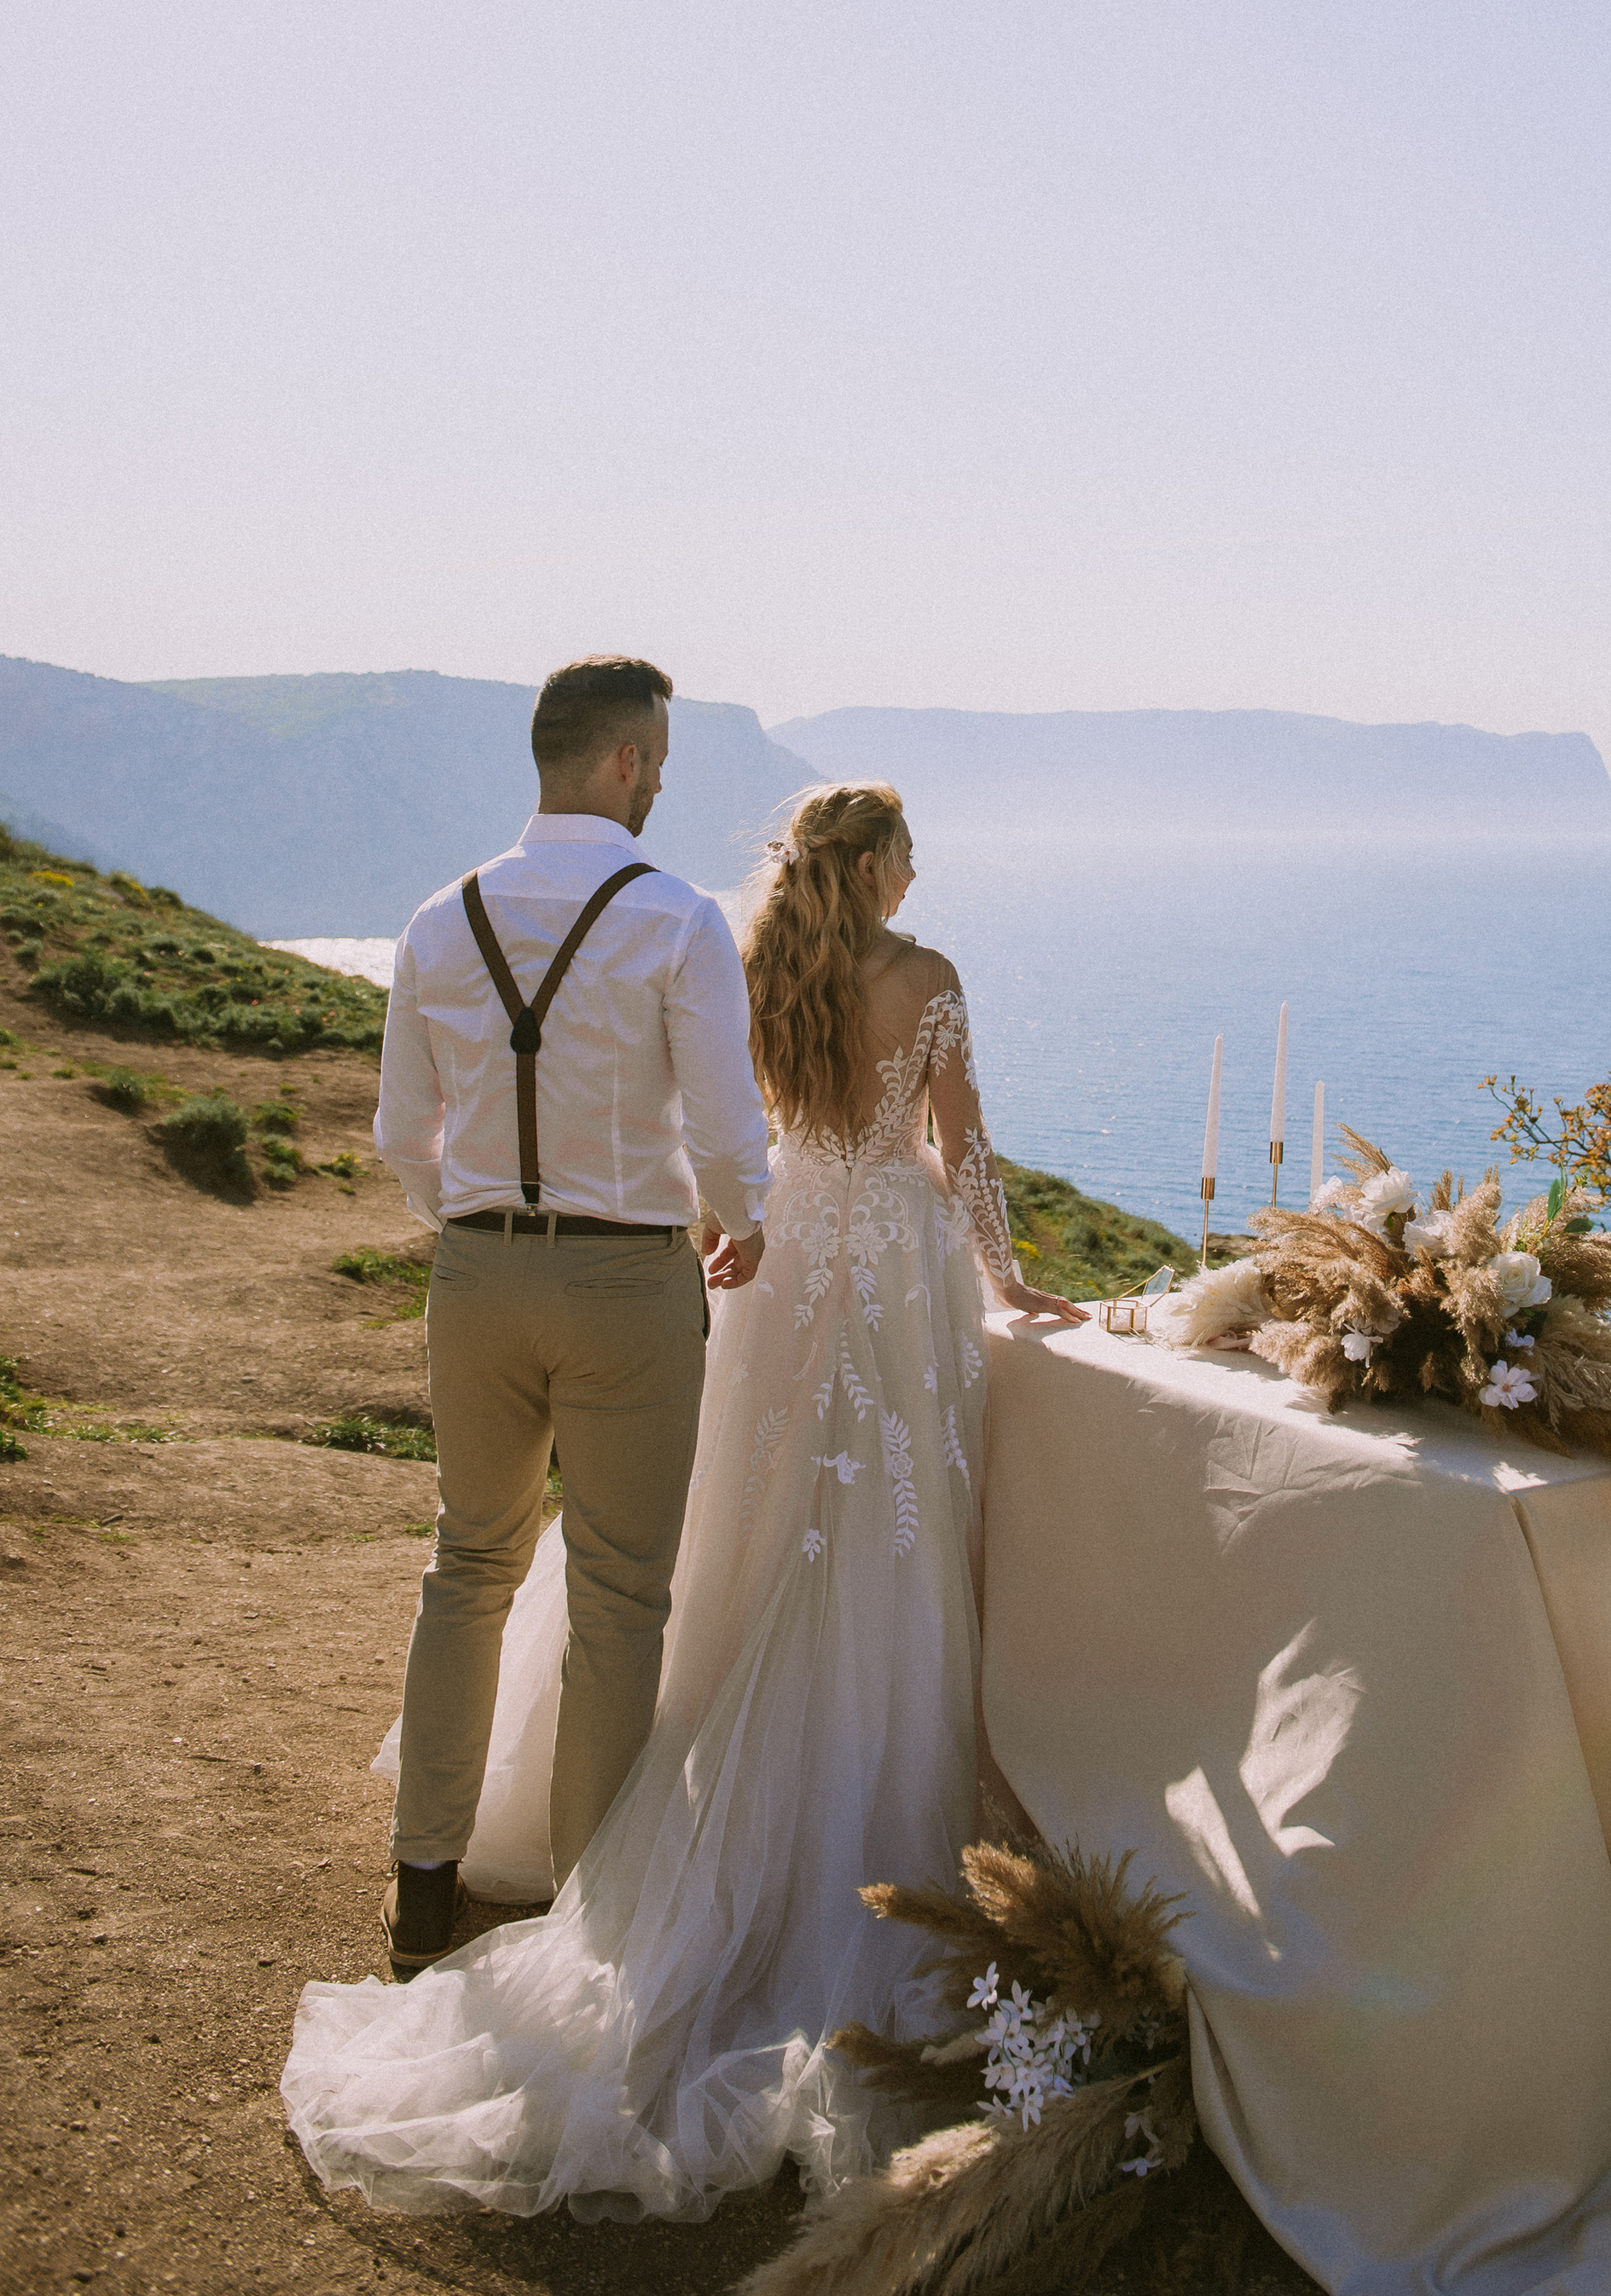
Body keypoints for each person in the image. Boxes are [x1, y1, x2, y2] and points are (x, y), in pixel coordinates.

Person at [282, 779, 1085, 2221]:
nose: (919, 871)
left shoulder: (763, 963)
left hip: (778, 1251)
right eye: (908, 851)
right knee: (882, 1535)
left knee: (732, 1527)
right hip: (894, 1266)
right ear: (875, 863)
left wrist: (722, 1220)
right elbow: (959, 1147)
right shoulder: (929, 978)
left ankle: (569, 1819)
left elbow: (724, 1120)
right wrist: (1007, 1280)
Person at [369, 652, 772, 1970]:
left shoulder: (439, 918)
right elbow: (725, 1127)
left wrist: (475, 1222)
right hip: (627, 1283)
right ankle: (588, 1911)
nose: (661, 781)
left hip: (477, 1276)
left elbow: (402, 1135)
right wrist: (744, 1218)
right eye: (657, 758)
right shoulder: (679, 919)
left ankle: (423, 1879)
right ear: (622, 760)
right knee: (616, 1595)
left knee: (466, 1564)